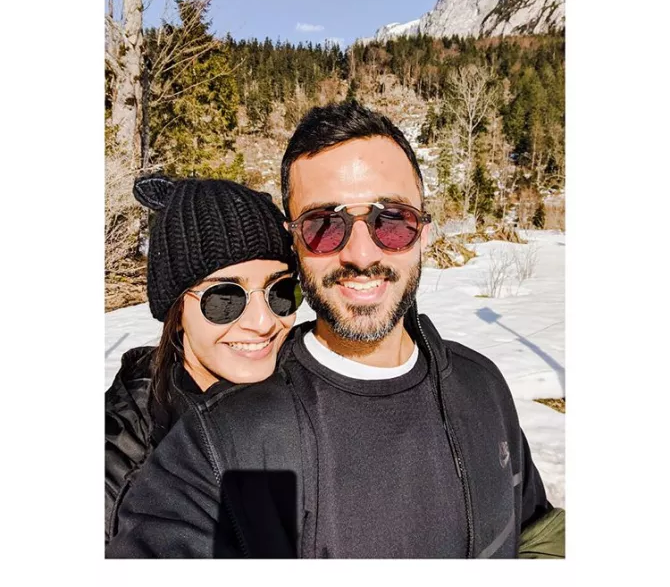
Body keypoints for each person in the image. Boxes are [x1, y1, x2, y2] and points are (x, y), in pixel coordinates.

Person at [107, 101, 564, 558]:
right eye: (324, 226)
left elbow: (534, 532)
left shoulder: (481, 384)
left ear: (425, 230)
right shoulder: (208, 447)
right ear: (297, 241)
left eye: (393, 220)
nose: (361, 255)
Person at [105, 175, 302, 544]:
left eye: (281, 291)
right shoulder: (121, 450)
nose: (263, 322)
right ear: (177, 311)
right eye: (225, 297)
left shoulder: (312, 388)